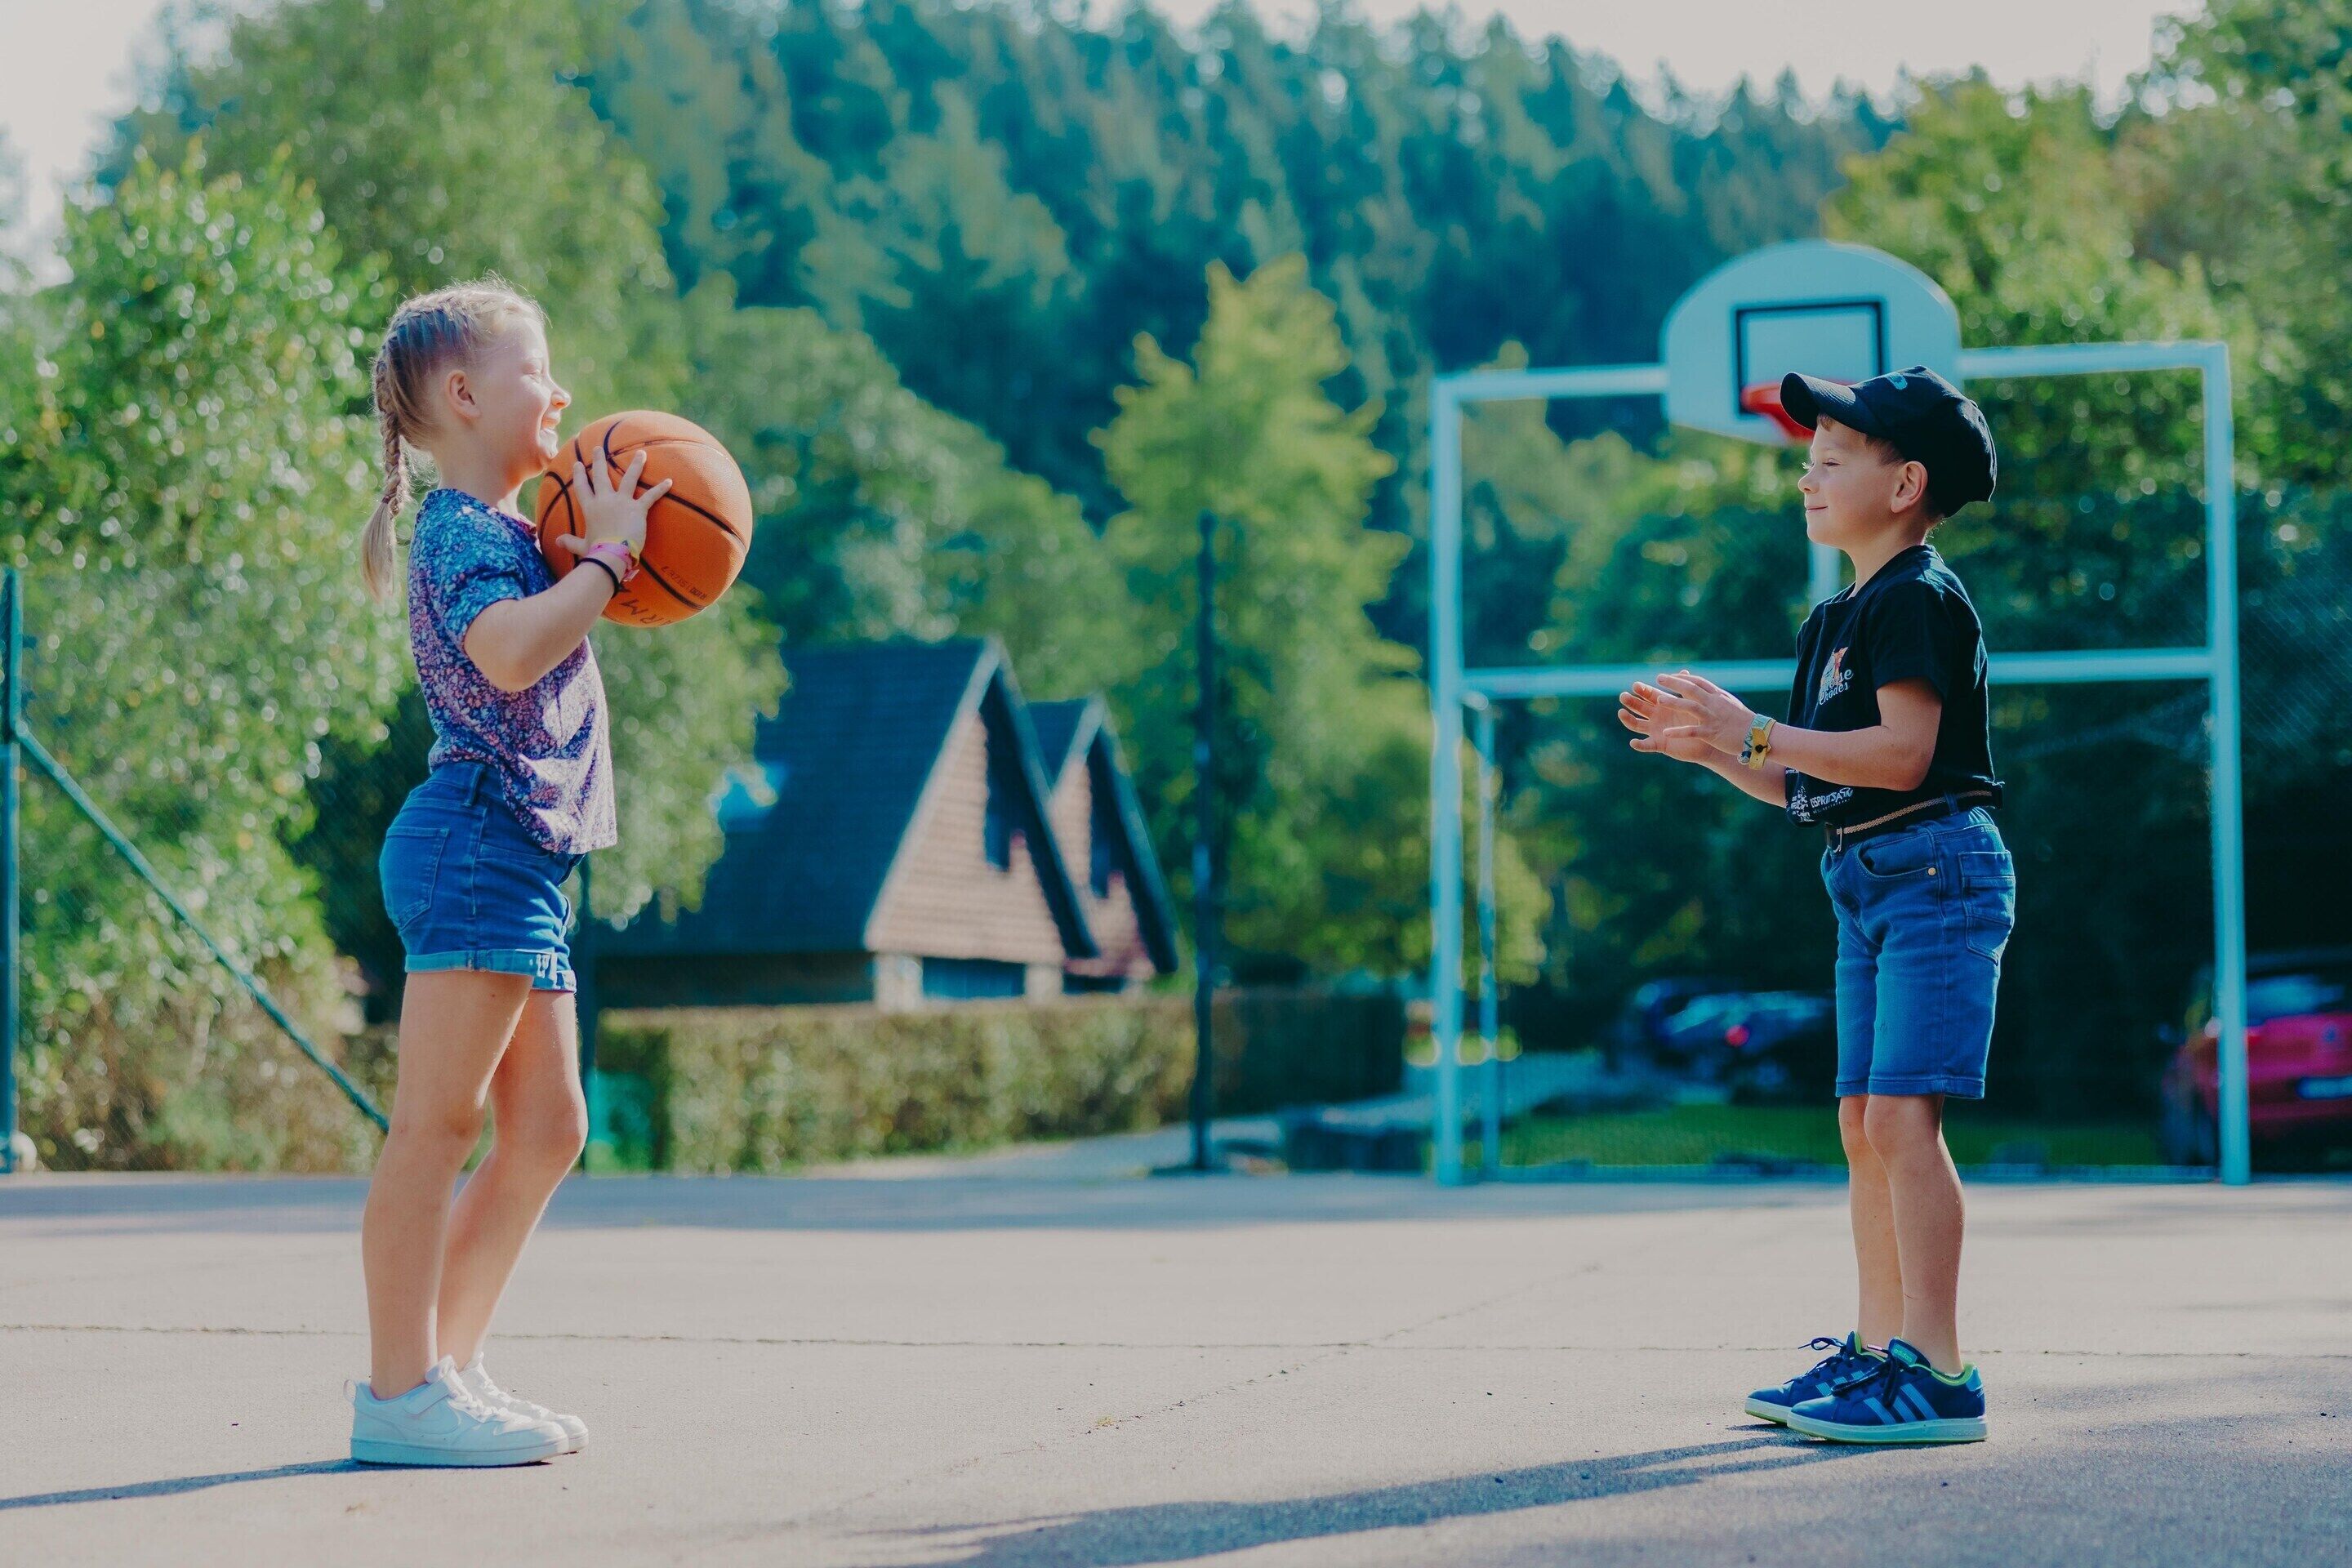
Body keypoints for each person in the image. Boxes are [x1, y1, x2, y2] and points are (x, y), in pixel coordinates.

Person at [1618, 365, 2012, 1445]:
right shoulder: (1837, 615)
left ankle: (1936, 1371)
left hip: (1935, 872)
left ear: (1905, 485)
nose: (1809, 475)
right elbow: (1809, 783)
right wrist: (1714, 748)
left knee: (1900, 1119)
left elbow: (1902, 754)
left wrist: (1754, 729)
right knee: (1858, 1125)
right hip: (1865, 874)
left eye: (1834, 458)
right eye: (1807, 458)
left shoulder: (1917, 598)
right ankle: (1876, 1355)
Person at [346, 279, 666, 1466]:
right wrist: (606, 571)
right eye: (540, 369)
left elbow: (548, 619)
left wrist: (589, 561)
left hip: (521, 858)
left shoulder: (516, 538)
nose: (564, 391)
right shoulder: (461, 533)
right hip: (479, 841)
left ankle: (447, 1370)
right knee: (435, 1125)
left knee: (548, 1127)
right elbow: (508, 652)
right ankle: (397, 1398)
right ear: (468, 396)